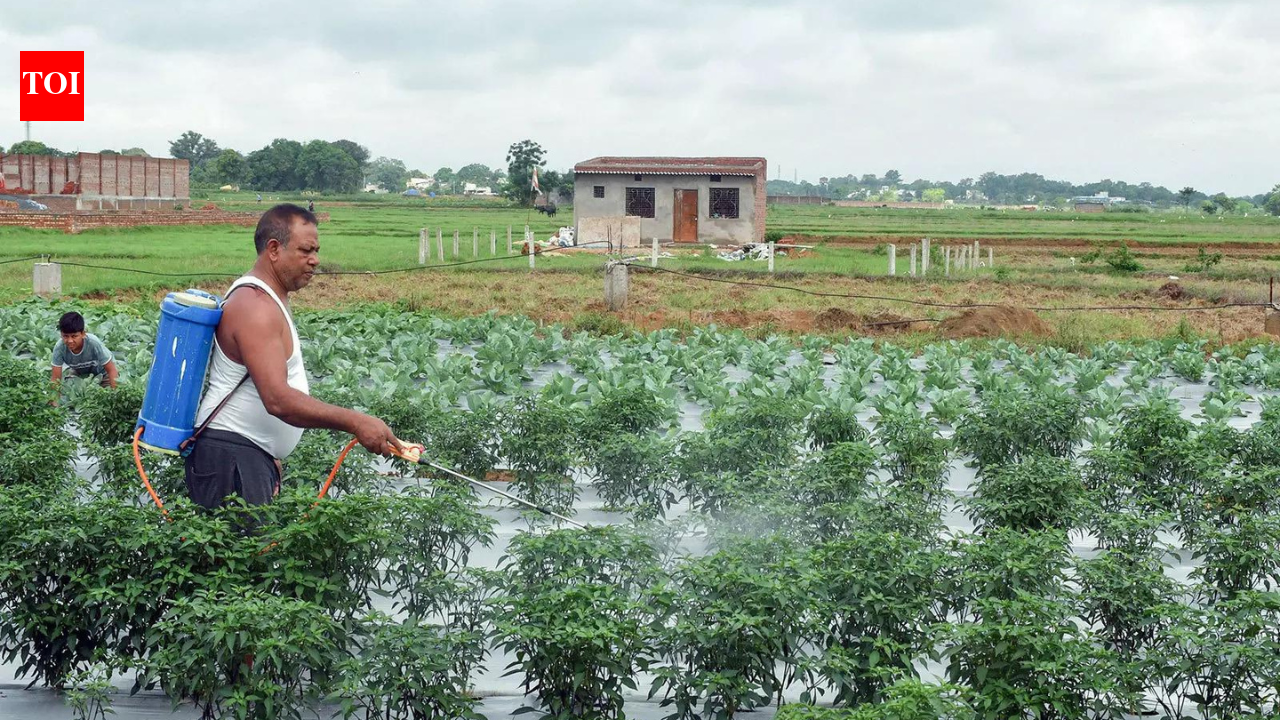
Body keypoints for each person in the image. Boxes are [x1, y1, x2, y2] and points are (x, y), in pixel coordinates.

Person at [184, 203, 402, 510]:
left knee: (249, 555)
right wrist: (356, 422)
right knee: (236, 557)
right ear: (273, 249)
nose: (315, 261)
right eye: (306, 250)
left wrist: (267, 452)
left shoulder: (268, 298)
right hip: (230, 457)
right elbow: (277, 399)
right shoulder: (255, 306)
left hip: (244, 454)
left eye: (316, 250)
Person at [51, 311, 118, 389]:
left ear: (83, 334)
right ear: (61, 334)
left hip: (103, 373)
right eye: (65, 336)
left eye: (74, 336)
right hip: (81, 374)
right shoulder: (59, 347)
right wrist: (54, 400)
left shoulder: (93, 343)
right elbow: (55, 379)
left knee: (107, 393)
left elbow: (111, 370)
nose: (70, 341)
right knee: (68, 391)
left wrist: (115, 396)